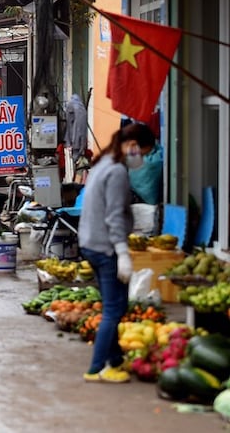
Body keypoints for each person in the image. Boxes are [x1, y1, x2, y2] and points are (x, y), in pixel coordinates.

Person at [78, 122, 156, 383]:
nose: (141, 159)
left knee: (115, 305)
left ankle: (115, 360)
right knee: (113, 309)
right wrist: (122, 252)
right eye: (142, 153)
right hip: (105, 247)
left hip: (91, 242)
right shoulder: (116, 172)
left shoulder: (103, 164)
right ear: (132, 147)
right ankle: (97, 368)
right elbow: (113, 217)